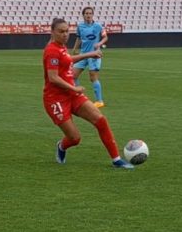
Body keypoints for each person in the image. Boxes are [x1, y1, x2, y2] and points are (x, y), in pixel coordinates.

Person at [44, 18, 134, 169]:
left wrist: (88, 54)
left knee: (100, 120)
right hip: (56, 100)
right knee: (75, 138)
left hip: (71, 95)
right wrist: (74, 88)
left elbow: (67, 59)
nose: (65, 34)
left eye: (67, 31)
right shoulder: (51, 50)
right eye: (61, 31)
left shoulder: (61, 47)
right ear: (52, 32)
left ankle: (116, 159)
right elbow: (53, 78)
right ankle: (61, 146)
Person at [71, 6, 107, 108]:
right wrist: (74, 49)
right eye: (86, 13)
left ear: (92, 15)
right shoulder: (80, 26)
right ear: (83, 15)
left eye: (90, 13)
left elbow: (105, 37)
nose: (88, 15)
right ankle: (79, 97)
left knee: (93, 77)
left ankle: (99, 101)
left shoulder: (98, 26)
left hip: (94, 55)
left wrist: (99, 43)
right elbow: (78, 39)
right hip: (83, 54)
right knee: (73, 75)